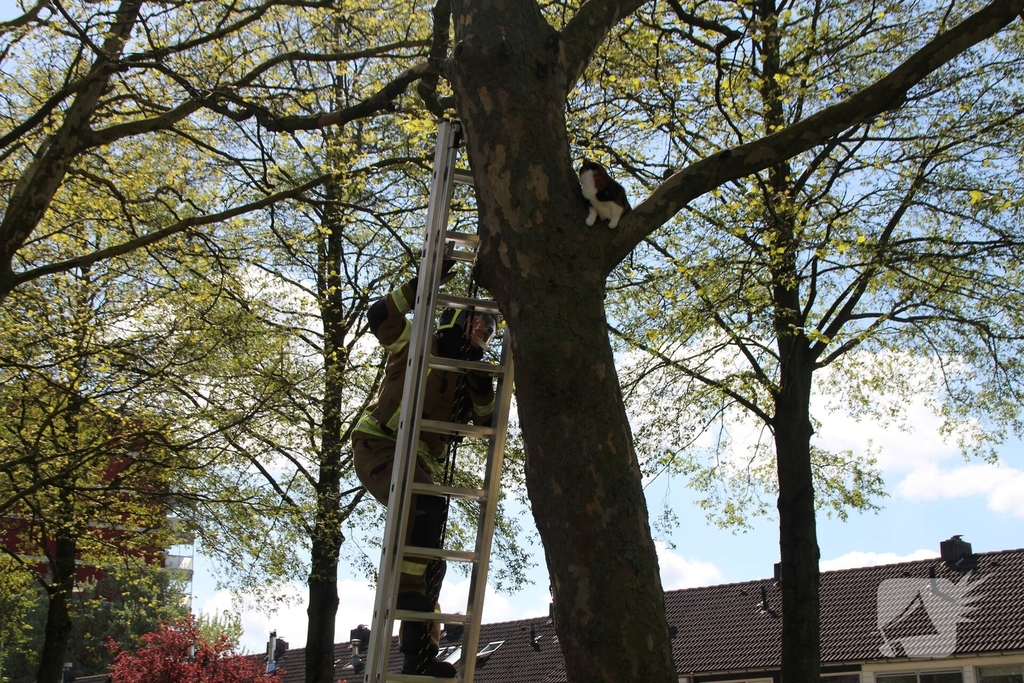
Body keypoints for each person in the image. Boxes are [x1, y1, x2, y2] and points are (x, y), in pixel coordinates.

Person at [352, 266, 496, 677]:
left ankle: (419, 657)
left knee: (433, 559)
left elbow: (483, 422)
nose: (480, 333)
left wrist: (481, 385)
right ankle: (408, 594)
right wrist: (421, 285)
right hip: (379, 445)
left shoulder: (469, 378)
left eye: (486, 330)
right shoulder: (416, 342)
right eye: (475, 324)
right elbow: (381, 316)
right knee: (425, 506)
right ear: (455, 321)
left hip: (418, 466)